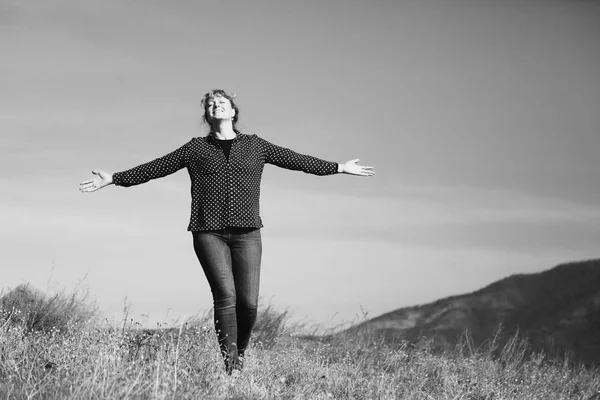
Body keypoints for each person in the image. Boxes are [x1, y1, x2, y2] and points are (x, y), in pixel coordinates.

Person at [79, 89, 375, 374]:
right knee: (226, 297)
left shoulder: (256, 145)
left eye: (221, 102)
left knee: (248, 304)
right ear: (207, 116)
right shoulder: (195, 148)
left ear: (233, 112)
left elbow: (296, 160)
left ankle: (240, 350)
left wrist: (338, 167)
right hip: (208, 232)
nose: (216, 105)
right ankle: (231, 366)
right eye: (210, 104)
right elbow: (157, 167)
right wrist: (115, 179)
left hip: (248, 233)